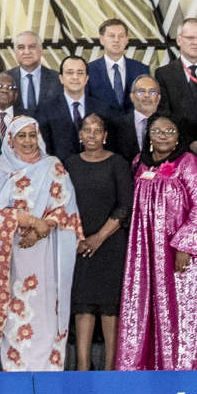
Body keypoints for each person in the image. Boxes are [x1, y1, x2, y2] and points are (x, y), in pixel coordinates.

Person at [116, 115, 197, 370]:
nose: (163, 135)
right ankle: (143, 366)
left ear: (178, 135)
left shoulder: (188, 163)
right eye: (157, 130)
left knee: (181, 310)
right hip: (145, 252)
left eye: (170, 130)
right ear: (148, 136)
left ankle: (182, 367)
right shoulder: (139, 163)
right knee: (144, 307)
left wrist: (184, 246)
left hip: (178, 254)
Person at [0, 115, 77, 371]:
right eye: (21, 136)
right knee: (18, 311)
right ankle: (16, 368)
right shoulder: (1, 166)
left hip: (47, 252)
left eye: (31, 135)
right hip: (11, 254)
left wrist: (41, 229)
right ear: (10, 139)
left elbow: (66, 207)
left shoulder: (53, 166)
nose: (27, 141)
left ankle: (49, 369)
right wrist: (29, 221)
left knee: (47, 311)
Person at [64, 113, 131, 370]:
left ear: (105, 135)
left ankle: (110, 370)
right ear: (80, 135)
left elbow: (125, 205)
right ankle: (82, 367)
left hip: (111, 243)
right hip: (78, 244)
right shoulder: (70, 163)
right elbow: (63, 205)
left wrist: (99, 237)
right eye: (86, 130)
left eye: (96, 130)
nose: (91, 135)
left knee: (109, 308)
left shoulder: (117, 163)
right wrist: (79, 238)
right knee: (82, 306)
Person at [155, 18, 197, 147]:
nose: (196, 42)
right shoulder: (163, 74)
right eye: (190, 38)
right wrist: (188, 143)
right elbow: (164, 117)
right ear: (179, 40)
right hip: (180, 149)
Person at [87, 17, 150, 112]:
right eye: (112, 36)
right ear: (102, 40)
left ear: (127, 40)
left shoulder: (141, 69)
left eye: (121, 36)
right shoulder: (88, 70)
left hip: (133, 126)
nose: (116, 40)